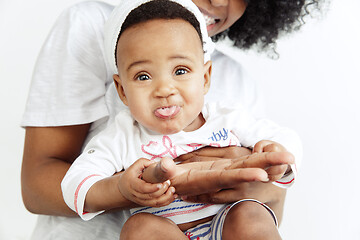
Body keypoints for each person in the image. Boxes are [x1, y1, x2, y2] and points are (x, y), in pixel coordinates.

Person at [21, 0, 318, 239]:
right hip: (156, 228)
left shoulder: (230, 109)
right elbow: (68, 182)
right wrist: (124, 189)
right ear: (121, 90)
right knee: (141, 229)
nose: (164, 89)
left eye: (180, 71)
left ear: (206, 77)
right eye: (143, 76)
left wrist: (271, 166)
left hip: (226, 223)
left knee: (250, 215)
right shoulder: (123, 134)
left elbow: (283, 150)